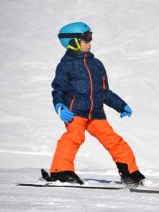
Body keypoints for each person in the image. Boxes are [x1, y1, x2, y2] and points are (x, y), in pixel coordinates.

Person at [49, 22, 145, 185]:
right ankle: (61, 171)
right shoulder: (65, 66)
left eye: (90, 38)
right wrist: (60, 106)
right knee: (74, 137)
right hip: (75, 112)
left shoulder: (97, 64)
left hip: (96, 113)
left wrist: (120, 105)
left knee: (114, 140)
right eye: (86, 39)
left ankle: (130, 172)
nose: (89, 42)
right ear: (72, 42)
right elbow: (58, 89)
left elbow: (104, 91)